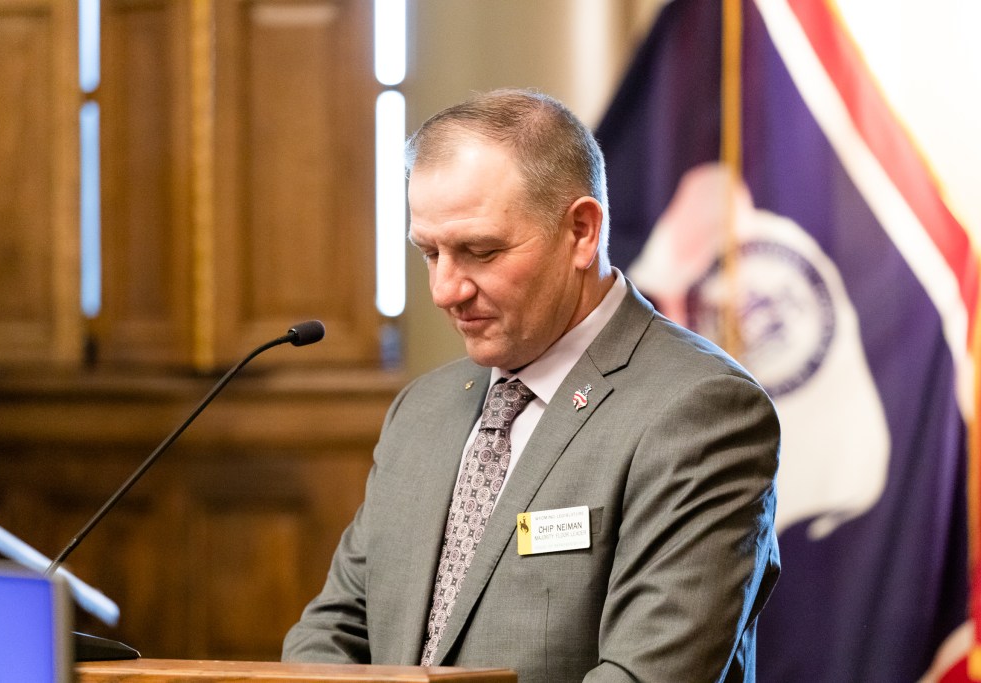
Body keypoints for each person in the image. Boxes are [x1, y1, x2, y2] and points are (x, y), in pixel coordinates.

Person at [282, 88, 780, 683]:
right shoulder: (422, 408)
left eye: (480, 251)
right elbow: (332, 630)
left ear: (582, 232)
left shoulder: (702, 411)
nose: (444, 290)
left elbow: (644, 676)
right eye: (430, 253)